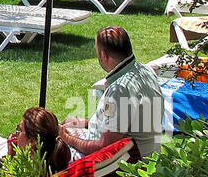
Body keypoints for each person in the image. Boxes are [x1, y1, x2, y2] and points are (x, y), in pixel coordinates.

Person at [60, 25, 166, 161]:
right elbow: (123, 122)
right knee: (64, 128)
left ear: (104, 55)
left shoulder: (120, 90)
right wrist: (86, 122)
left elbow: (105, 148)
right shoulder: (145, 71)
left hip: (123, 164)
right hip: (148, 154)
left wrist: (68, 138)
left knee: (52, 149)